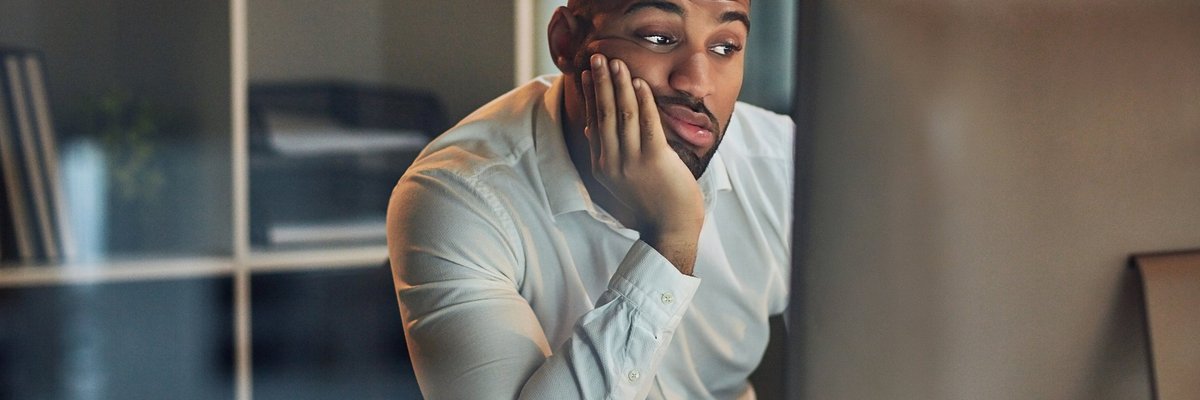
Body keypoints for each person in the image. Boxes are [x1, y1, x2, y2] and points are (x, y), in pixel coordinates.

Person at [386, 0, 793, 398]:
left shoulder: (785, 164)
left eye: (725, 47)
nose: (698, 82)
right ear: (566, 43)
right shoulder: (457, 195)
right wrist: (672, 240)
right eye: (658, 37)